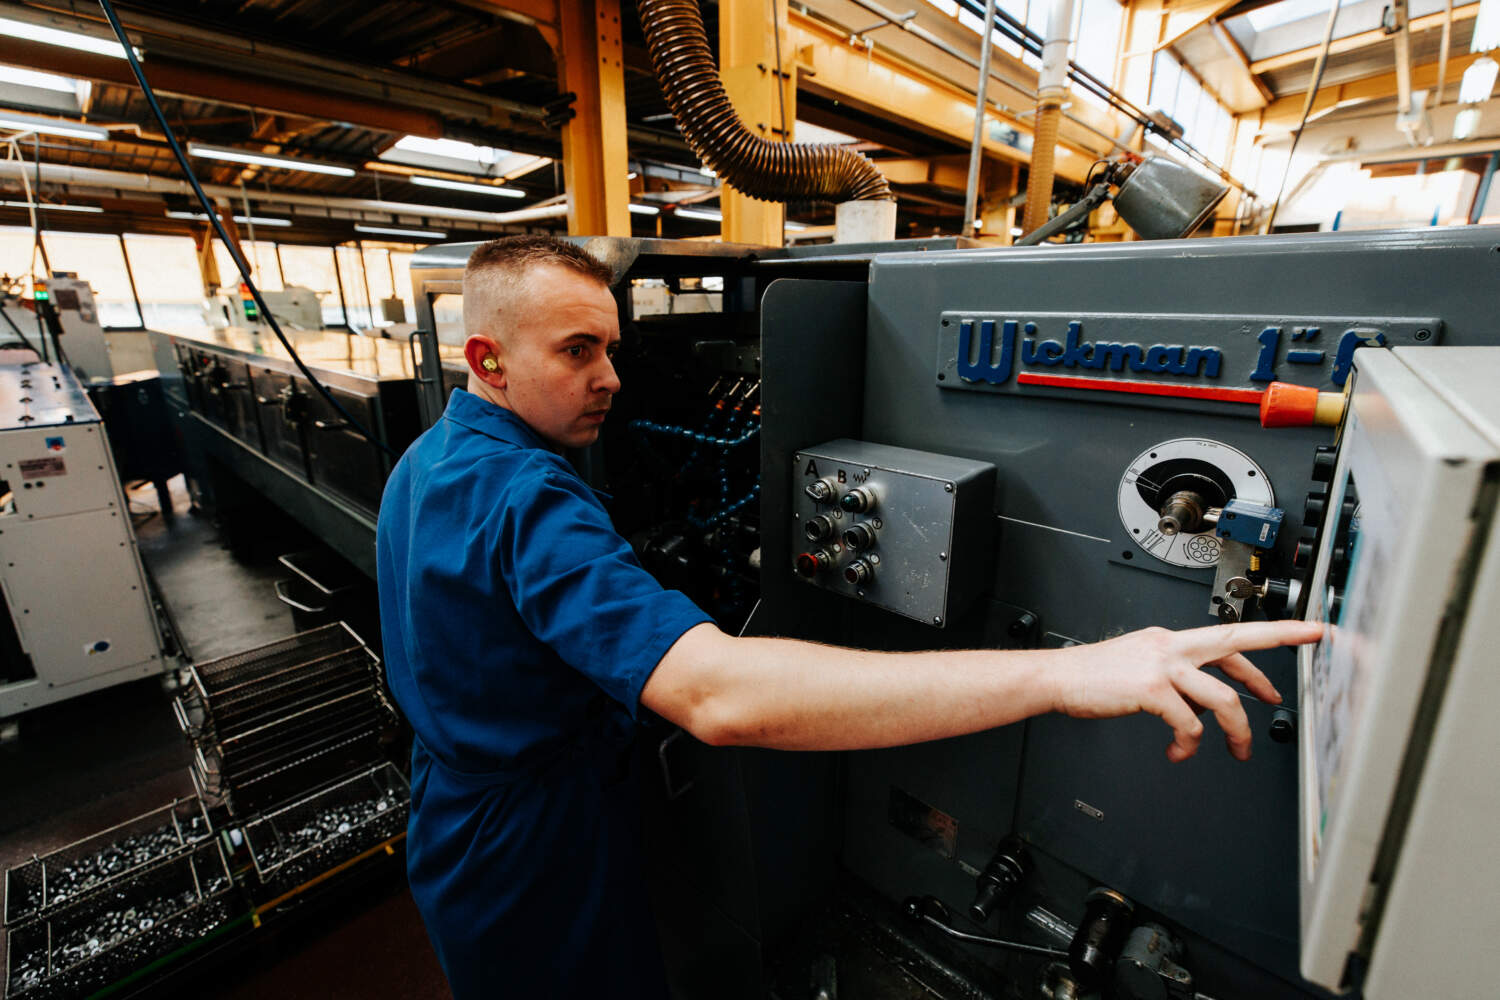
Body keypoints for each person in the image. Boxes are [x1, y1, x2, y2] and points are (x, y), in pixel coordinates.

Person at [376, 236, 1322, 1000]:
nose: (613, 378)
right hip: (535, 848)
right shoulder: (529, 498)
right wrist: (1064, 674)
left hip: (454, 817)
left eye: (611, 347)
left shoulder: (429, 460)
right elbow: (717, 696)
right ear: (486, 358)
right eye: (576, 352)